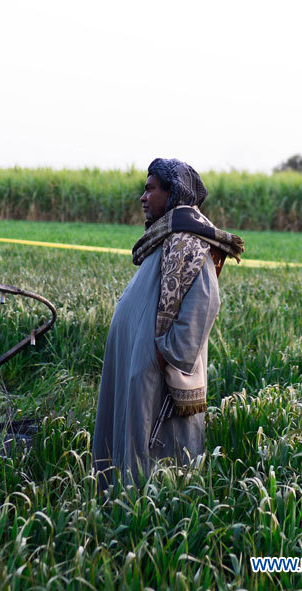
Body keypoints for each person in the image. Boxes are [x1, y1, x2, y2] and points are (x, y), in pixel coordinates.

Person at [92, 158, 243, 488]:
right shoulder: (164, 238)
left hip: (156, 373)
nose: (143, 198)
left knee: (156, 457)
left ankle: (148, 518)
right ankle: (118, 505)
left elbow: (205, 303)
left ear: (172, 192)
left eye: (150, 190)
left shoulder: (189, 243)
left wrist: (166, 354)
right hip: (138, 367)